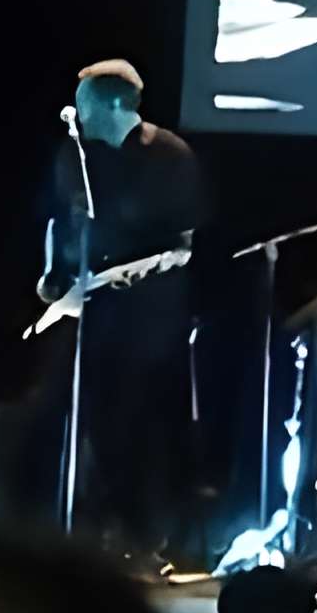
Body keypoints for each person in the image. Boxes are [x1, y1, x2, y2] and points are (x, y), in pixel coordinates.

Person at [37, 60, 209, 570]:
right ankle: (82, 534)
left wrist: (132, 272)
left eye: (86, 103)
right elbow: (60, 220)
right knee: (82, 418)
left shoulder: (170, 156)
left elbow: (183, 246)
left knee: (135, 424)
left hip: (149, 314)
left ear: (114, 103)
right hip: (88, 307)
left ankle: (142, 540)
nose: (77, 113)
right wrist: (51, 273)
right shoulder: (74, 155)